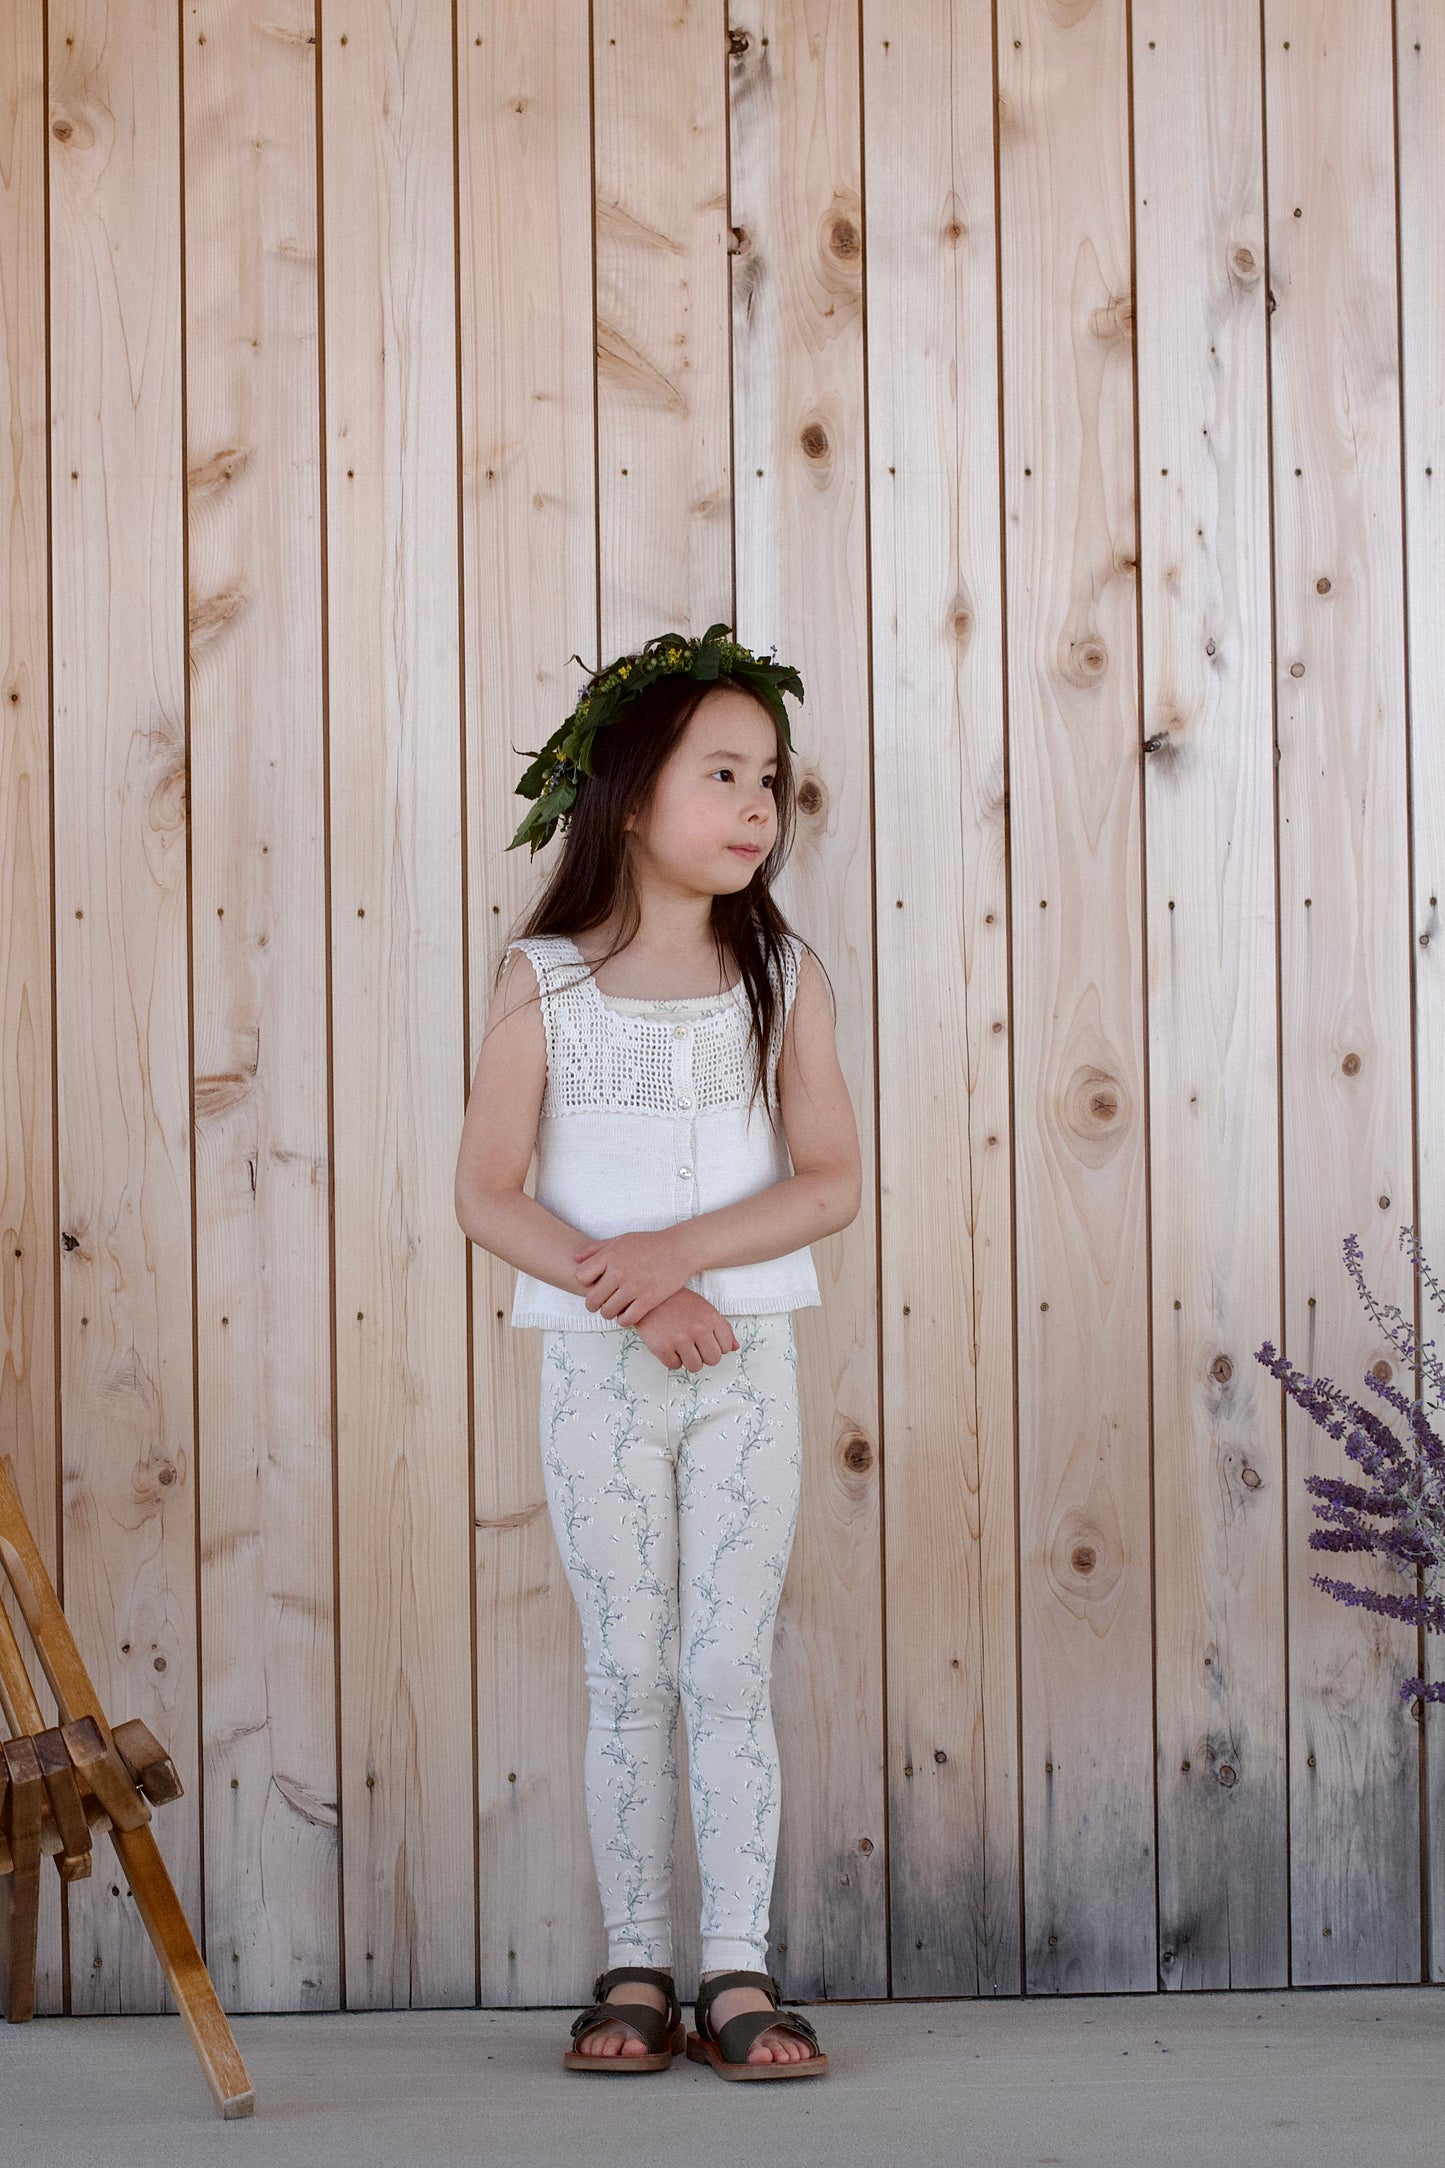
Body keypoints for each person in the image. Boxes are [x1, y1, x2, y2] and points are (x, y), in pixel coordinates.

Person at [455, 626, 859, 2080]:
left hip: (746, 1372)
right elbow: (485, 1190)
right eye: (723, 773)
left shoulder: (784, 975)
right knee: (626, 1669)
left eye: (772, 777)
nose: (757, 803)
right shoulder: (544, 982)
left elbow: (829, 1179)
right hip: (596, 1380)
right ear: (630, 796)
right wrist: (632, 1297)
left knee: (725, 1665)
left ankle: (737, 1968)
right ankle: (635, 1962)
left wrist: (681, 1262)